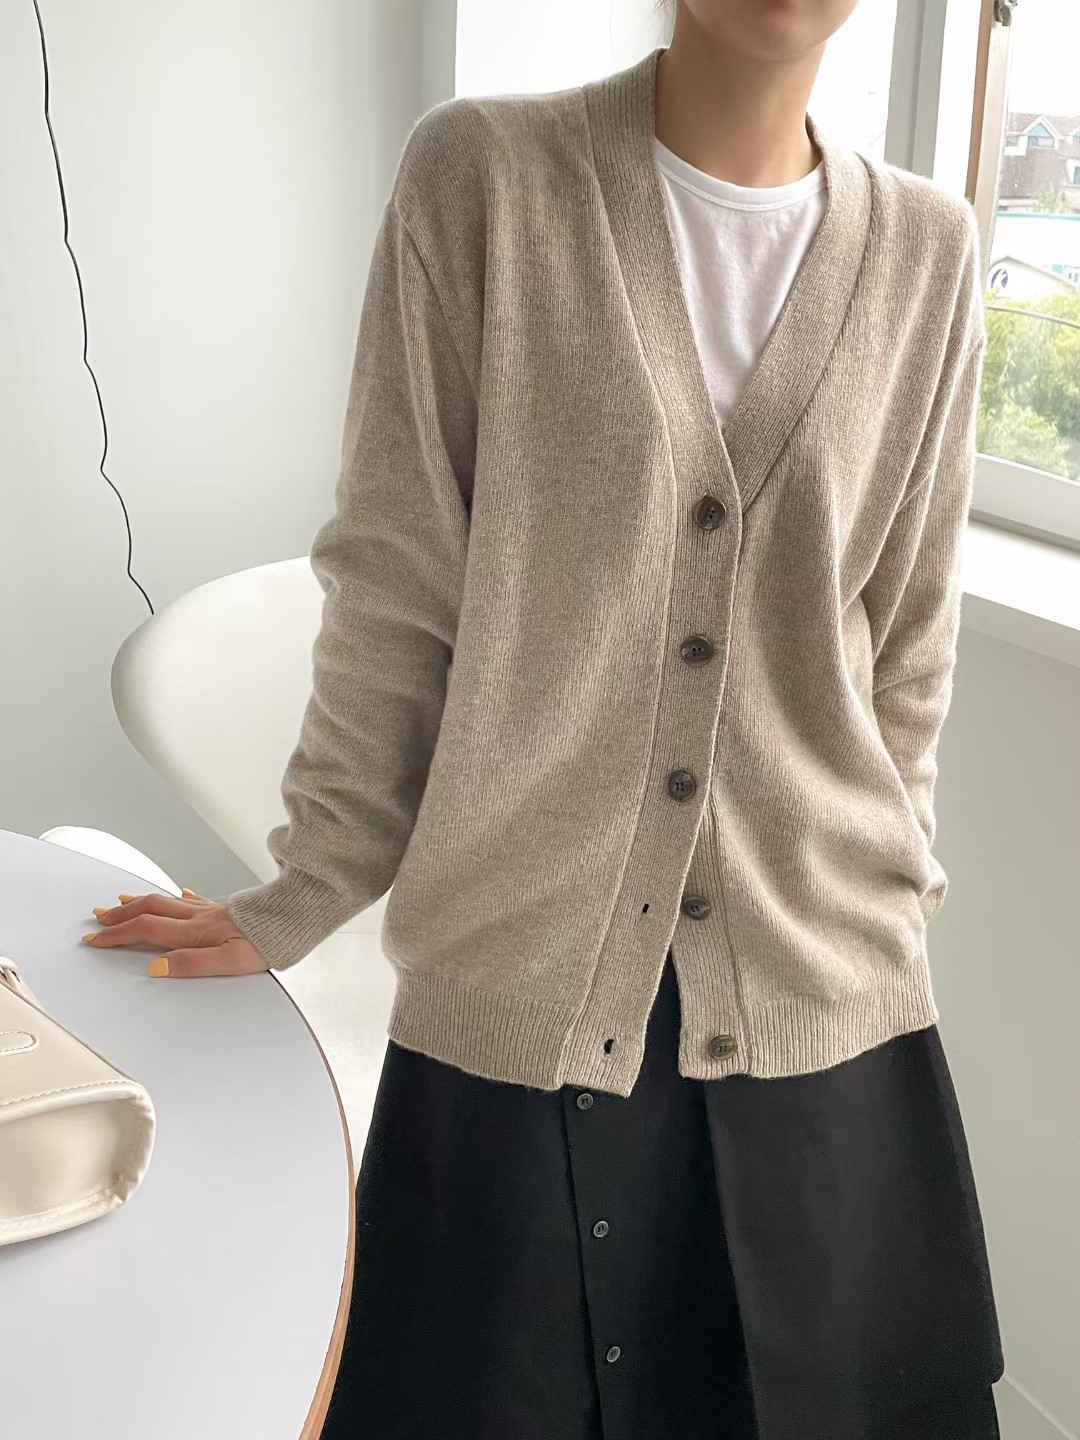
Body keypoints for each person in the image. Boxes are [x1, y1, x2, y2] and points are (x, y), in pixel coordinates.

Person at [84, 2, 1006, 1436]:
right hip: (517, 981)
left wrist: (889, 890)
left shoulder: (930, 255)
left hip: (829, 978)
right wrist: (311, 884)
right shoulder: (485, 180)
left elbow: (908, 638)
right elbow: (401, 575)